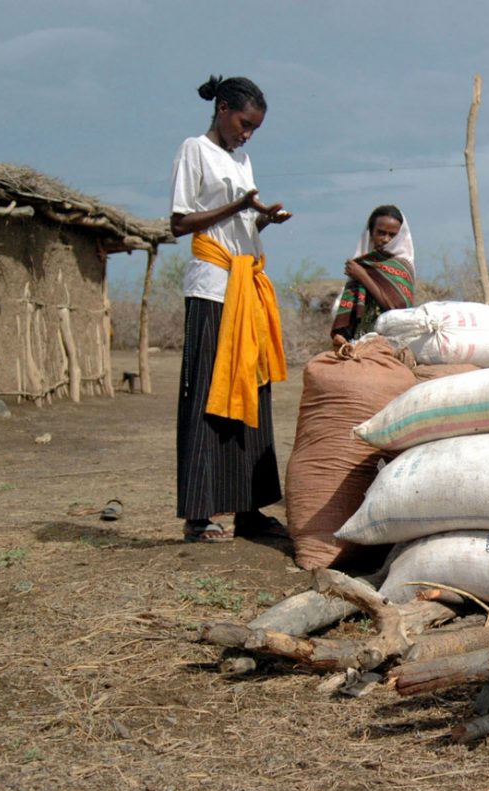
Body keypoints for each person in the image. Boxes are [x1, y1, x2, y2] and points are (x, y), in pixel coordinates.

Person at [170, 74, 292, 542]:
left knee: (251, 393)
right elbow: (180, 222)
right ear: (222, 109)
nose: (247, 134)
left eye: (255, 129)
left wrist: (263, 217)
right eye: (244, 123)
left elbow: (241, 220)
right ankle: (199, 514)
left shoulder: (242, 159)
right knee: (207, 395)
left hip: (246, 288)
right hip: (212, 290)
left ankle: (249, 508)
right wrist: (238, 205)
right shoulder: (193, 150)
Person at [331, 205, 415, 344]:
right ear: (371, 233)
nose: (386, 239)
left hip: (390, 339)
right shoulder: (363, 263)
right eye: (381, 233)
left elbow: (397, 310)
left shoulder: (402, 266)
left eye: (392, 235)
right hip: (359, 338)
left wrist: (363, 277)